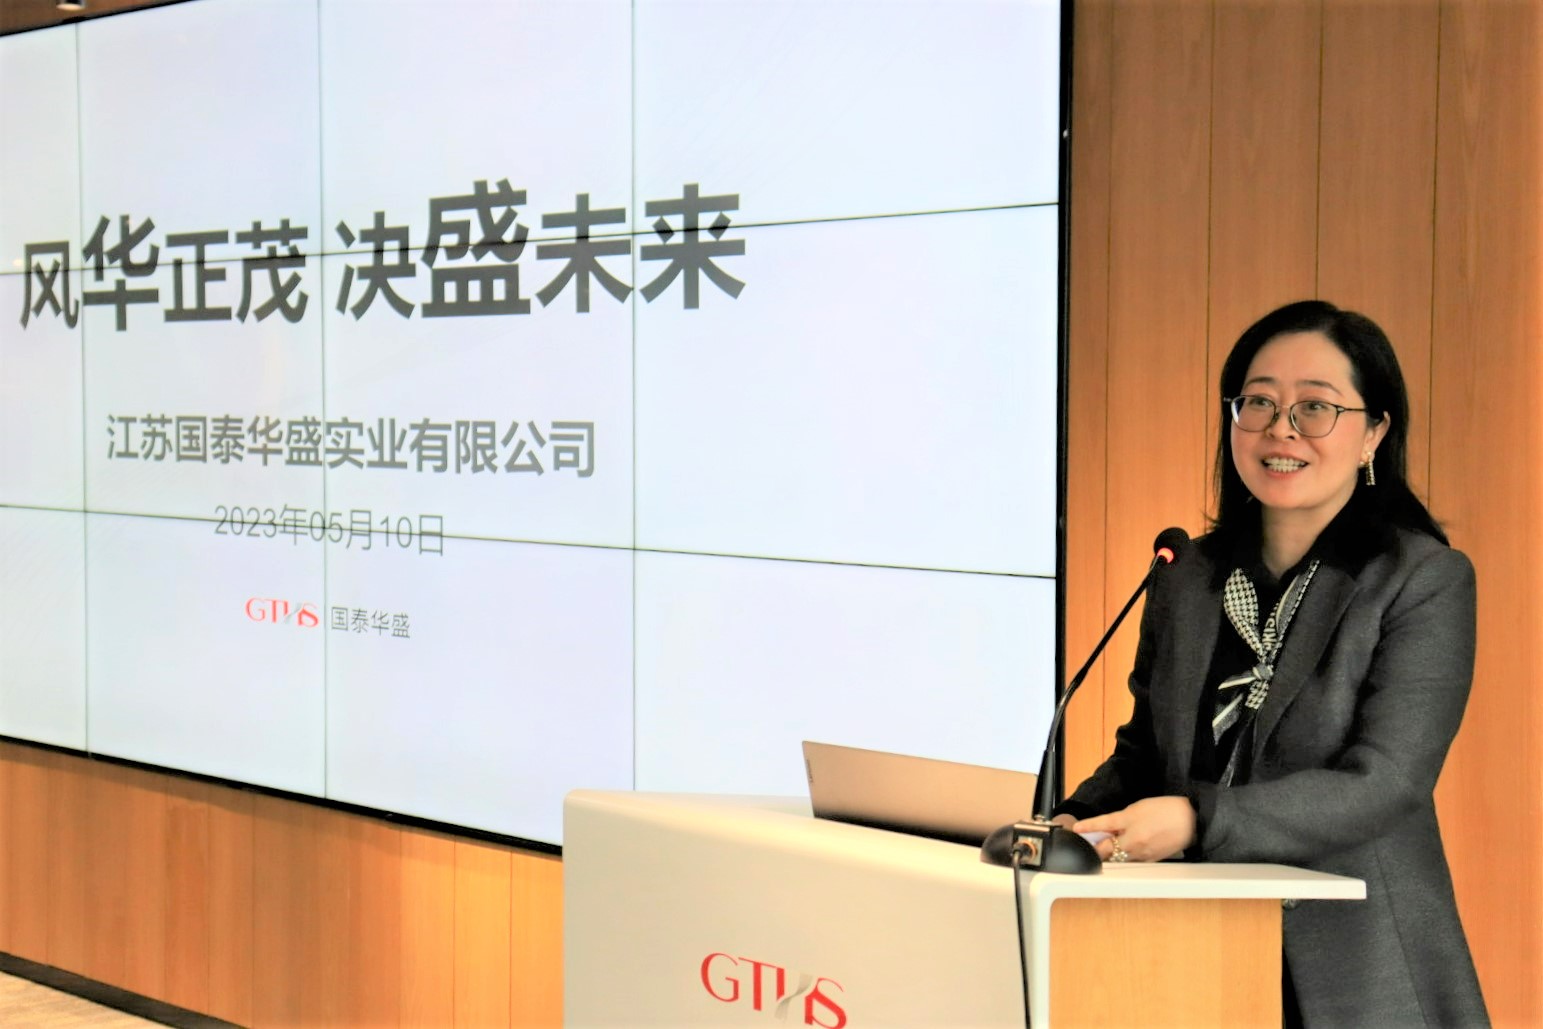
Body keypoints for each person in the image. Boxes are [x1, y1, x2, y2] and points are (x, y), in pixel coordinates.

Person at [1053, 300, 1489, 1027]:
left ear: (1373, 433)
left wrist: (1198, 819)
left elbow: (1387, 781)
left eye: (1315, 407)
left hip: (1353, 967)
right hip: (1190, 950)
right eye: (1257, 402)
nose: (1281, 429)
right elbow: (1146, 756)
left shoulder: (1421, 579)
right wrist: (1072, 820)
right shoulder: (1186, 576)